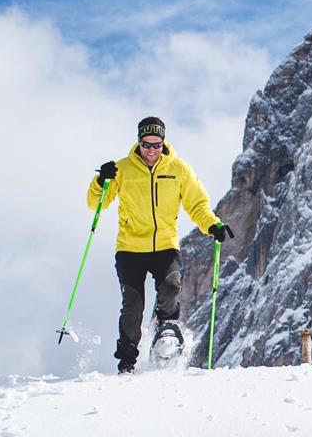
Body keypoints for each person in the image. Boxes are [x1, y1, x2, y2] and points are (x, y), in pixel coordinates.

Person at [89, 116, 227, 373]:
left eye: (156, 144)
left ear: (163, 142)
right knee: (133, 304)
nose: (151, 150)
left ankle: (167, 328)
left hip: (164, 245)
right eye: (146, 144)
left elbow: (197, 205)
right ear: (138, 142)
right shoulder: (123, 169)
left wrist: (213, 225)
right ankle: (127, 361)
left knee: (171, 285)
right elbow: (96, 202)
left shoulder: (179, 169)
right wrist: (101, 181)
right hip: (130, 248)